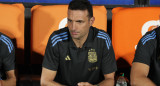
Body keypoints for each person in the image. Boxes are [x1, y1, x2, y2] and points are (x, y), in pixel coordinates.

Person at [41, 0, 117, 86]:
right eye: (70, 21)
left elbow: (110, 80)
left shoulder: (103, 39)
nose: (73, 27)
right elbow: (45, 81)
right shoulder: (56, 39)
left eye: (79, 22)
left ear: (91, 21)